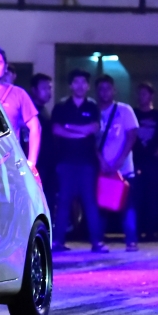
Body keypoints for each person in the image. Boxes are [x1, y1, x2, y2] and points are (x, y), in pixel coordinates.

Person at [51, 69, 104, 252]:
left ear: (88, 86)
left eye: (84, 82)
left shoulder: (92, 106)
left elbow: (94, 128)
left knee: (90, 201)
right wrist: (82, 132)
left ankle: (97, 242)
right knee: (64, 201)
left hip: (87, 163)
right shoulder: (61, 106)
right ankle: (58, 241)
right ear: (70, 85)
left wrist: (70, 128)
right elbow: (56, 130)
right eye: (76, 82)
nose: (80, 86)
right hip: (65, 162)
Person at [95, 75, 139, 252]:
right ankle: (98, 241)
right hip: (101, 169)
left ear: (114, 90)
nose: (104, 92)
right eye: (101, 88)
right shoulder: (93, 110)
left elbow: (132, 135)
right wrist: (101, 161)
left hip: (124, 170)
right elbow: (90, 140)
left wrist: (119, 160)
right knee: (101, 207)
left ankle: (132, 240)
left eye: (108, 88)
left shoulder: (124, 110)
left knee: (127, 206)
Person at [0, 46, 41, 165]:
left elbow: (35, 127)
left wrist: (32, 162)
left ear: (6, 67)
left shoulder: (18, 94)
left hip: (11, 162)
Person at [132, 82, 158, 240]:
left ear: (151, 96)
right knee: (136, 196)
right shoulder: (133, 114)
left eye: (144, 94)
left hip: (154, 162)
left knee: (153, 197)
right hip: (136, 161)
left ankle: (151, 230)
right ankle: (137, 230)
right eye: (139, 94)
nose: (141, 97)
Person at [29, 73, 57, 215]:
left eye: (50, 88)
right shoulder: (31, 112)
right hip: (38, 163)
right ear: (34, 90)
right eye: (44, 88)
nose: (48, 92)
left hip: (48, 162)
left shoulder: (43, 109)